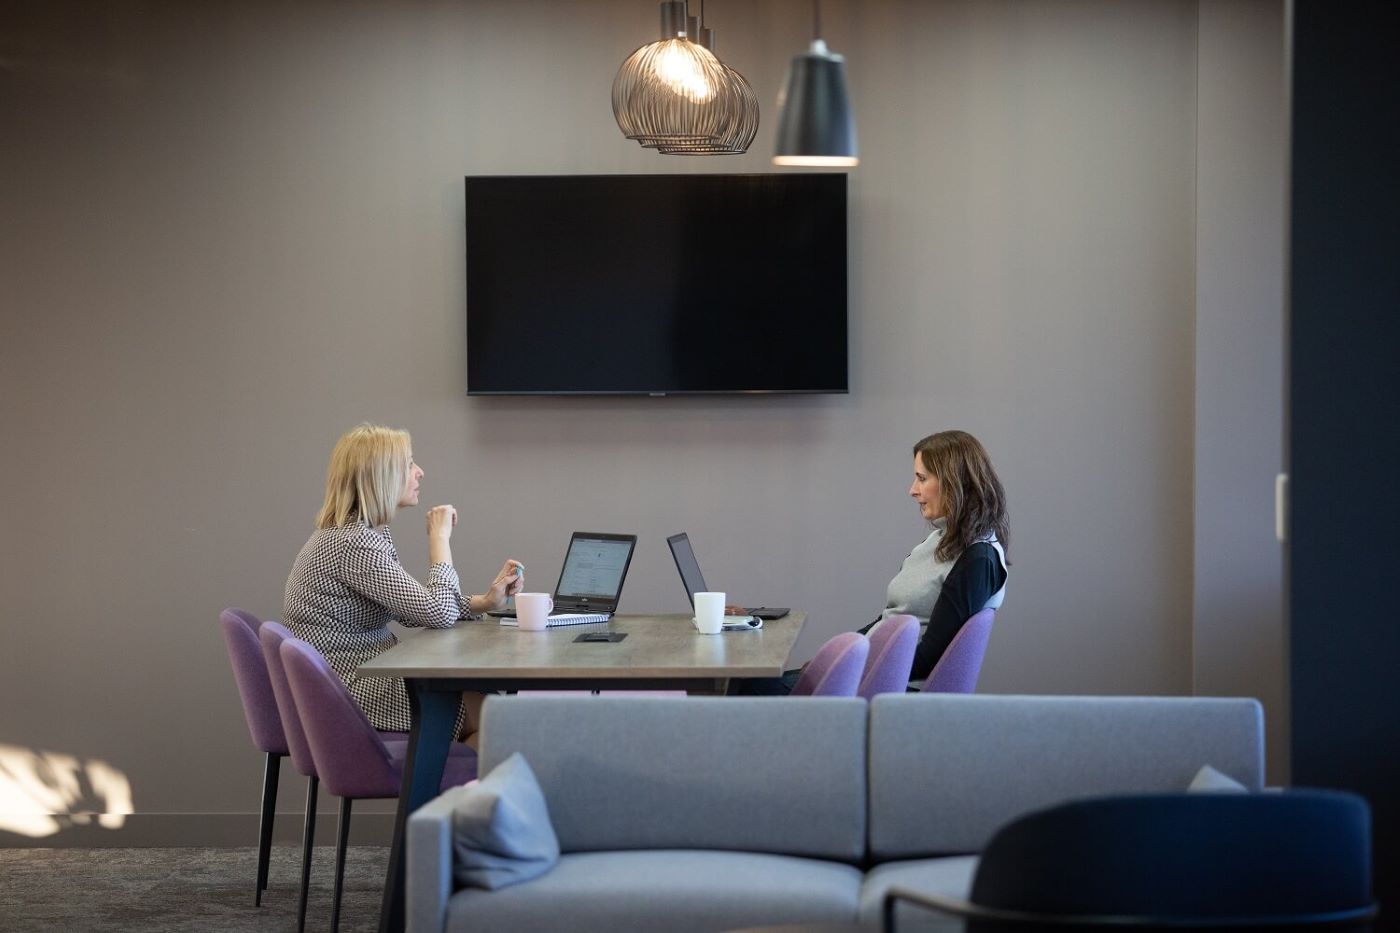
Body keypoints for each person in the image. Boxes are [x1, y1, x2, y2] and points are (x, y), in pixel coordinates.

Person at [283, 423, 523, 742]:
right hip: (352, 691)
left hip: (359, 677)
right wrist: (439, 538)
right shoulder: (353, 543)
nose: (420, 472)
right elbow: (437, 613)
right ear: (382, 476)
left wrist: (485, 602)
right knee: (498, 717)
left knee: (492, 709)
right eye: (409, 464)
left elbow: (412, 609)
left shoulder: (363, 535)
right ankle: (455, 789)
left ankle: (452, 788)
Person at [733, 429, 1009, 694]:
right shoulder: (942, 540)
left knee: (750, 686)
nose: (912, 490)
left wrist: (846, 664)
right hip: (877, 673)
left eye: (922, 479)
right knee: (752, 682)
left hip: (891, 685)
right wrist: (837, 656)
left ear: (954, 482)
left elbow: (931, 655)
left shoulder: (977, 559)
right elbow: (890, 617)